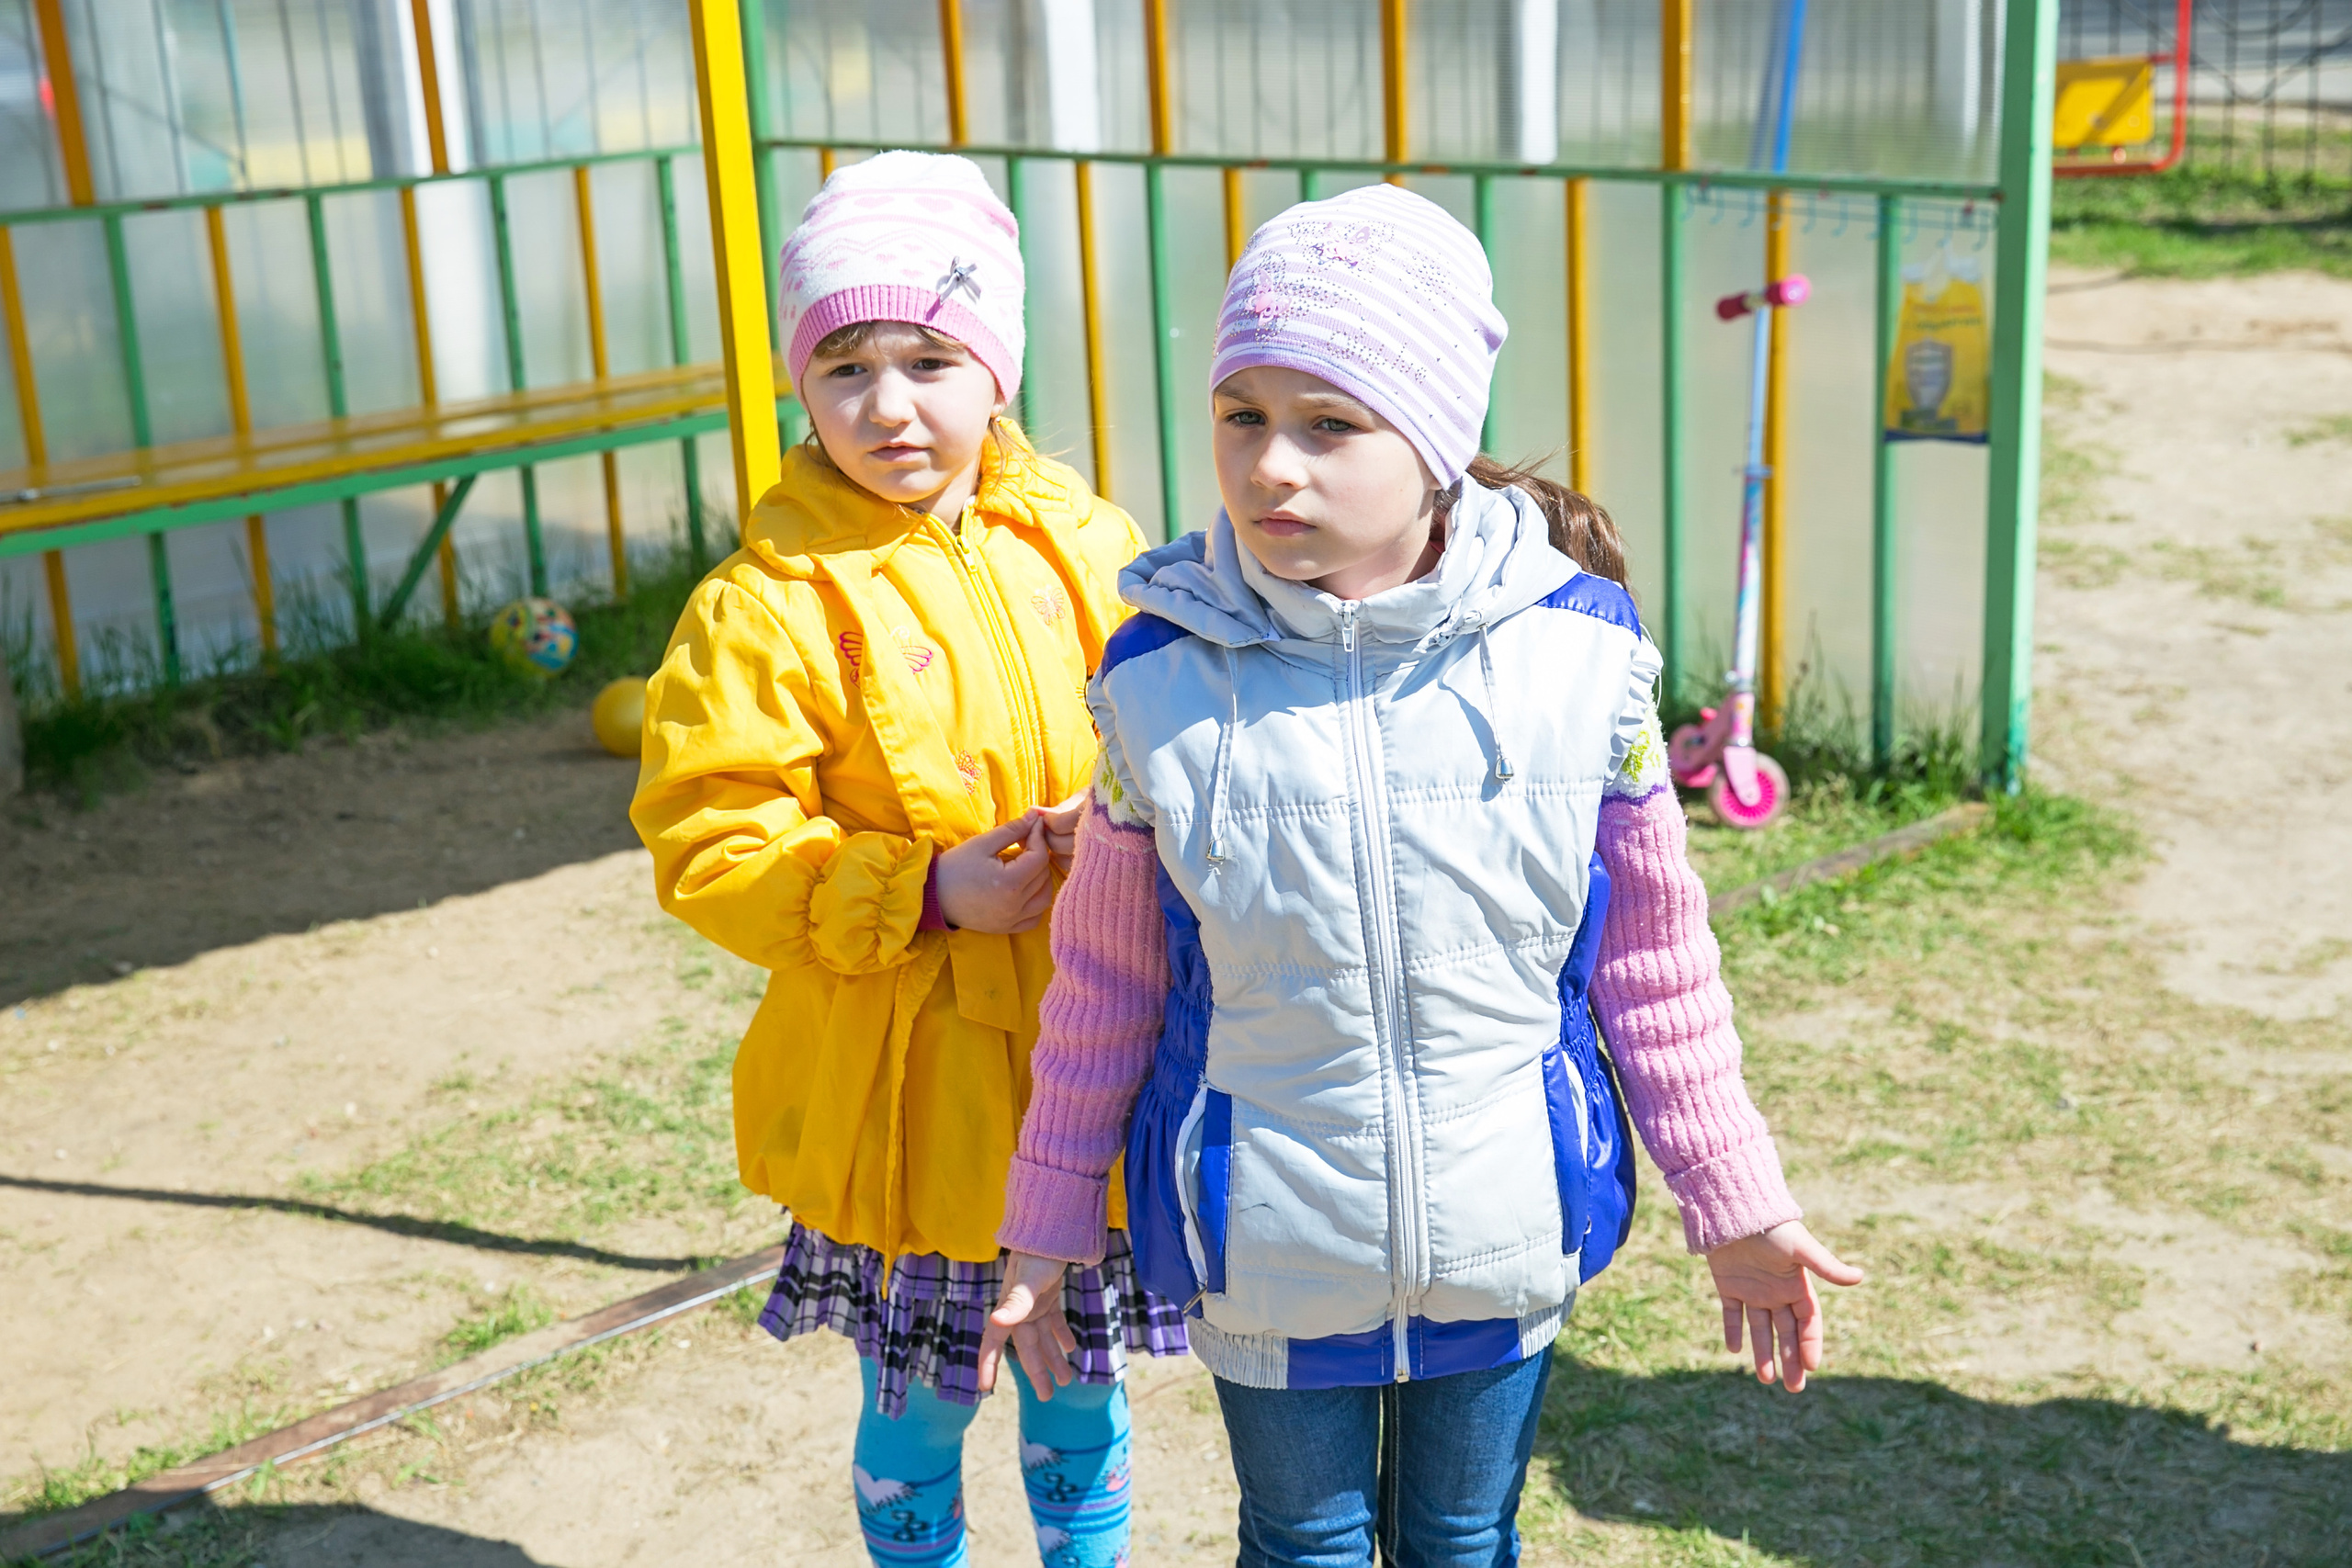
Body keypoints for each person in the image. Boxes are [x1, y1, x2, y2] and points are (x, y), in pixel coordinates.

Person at [977, 184, 1862, 1565]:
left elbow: (1656, 974)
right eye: (1243, 415)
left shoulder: (1585, 662)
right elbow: (1100, 988)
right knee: (1304, 1544)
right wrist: (1041, 1224)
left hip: (1504, 1233)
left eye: (1332, 424)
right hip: (1263, 1240)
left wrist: (1738, 1204)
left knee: (1463, 1541)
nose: (1275, 467)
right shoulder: (1154, 680)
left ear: (1438, 441)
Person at [630, 150, 1182, 1568]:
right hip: (910, 1087)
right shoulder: (757, 609)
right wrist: (927, 888)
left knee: (1081, 1378)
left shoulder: (1087, 539)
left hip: (1087, 1054)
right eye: (847, 367)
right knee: (924, 1393)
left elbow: (1169, 729)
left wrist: (1123, 819)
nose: (889, 405)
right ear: (799, 390)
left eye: (930, 358)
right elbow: (714, 838)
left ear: (996, 367)